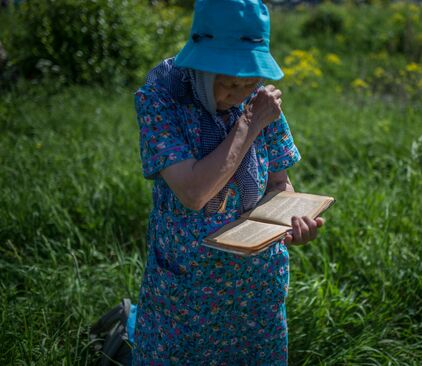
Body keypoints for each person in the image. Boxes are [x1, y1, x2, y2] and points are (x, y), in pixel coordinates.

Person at [131, 0, 325, 364]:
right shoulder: (161, 100)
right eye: (230, 84)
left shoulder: (259, 97)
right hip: (187, 294)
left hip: (256, 289)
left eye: (249, 82)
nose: (239, 96)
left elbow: (279, 183)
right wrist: (249, 124)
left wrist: (291, 220)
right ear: (201, 65)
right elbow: (193, 192)